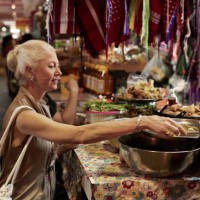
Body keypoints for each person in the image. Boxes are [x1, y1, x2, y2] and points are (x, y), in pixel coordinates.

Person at [0, 40, 187, 200]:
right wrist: (141, 121)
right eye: (51, 66)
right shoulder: (24, 115)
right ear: (30, 72)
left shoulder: (39, 103)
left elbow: (42, 150)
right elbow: (78, 134)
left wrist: (68, 146)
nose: (59, 71)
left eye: (57, 65)